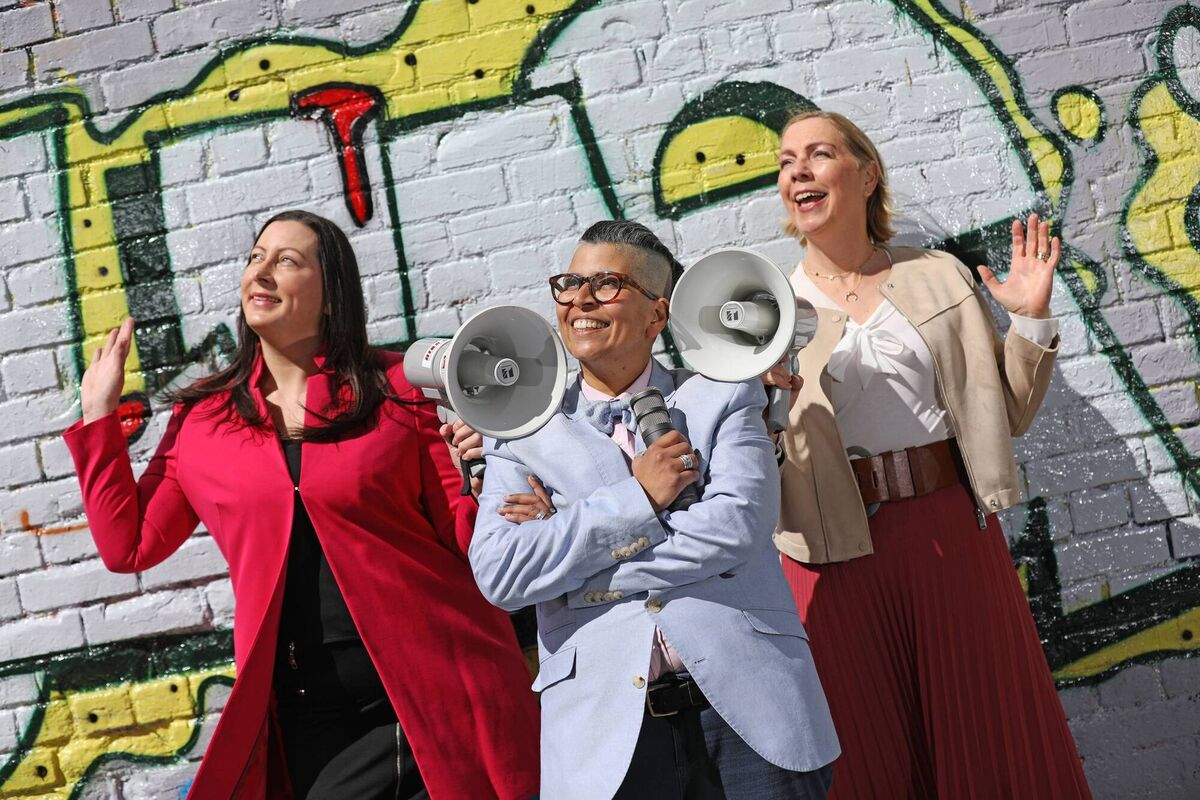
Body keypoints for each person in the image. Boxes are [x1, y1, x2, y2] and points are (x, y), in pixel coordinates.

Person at [64, 210, 540, 800]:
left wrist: (491, 483)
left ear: (332, 296)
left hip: (440, 688)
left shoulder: (397, 388)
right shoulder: (202, 420)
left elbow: (464, 539)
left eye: (287, 260)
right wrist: (99, 418)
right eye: (255, 257)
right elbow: (129, 545)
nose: (261, 272)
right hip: (309, 716)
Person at [765, 110, 1091, 798]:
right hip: (830, 553)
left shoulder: (939, 276)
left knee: (989, 739)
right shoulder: (763, 309)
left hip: (949, 535)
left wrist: (1030, 319)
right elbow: (752, 454)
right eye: (786, 161)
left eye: (819, 154)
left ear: (866, 173)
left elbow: (1002, 415)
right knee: (867, 755)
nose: (798, 170)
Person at [464, 220, 839, 800]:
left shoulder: (723, 392)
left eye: (607, 284)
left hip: (752, 714)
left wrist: (570, 565)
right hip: (604, 736)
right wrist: (637, 498)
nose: (581, 300)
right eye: (569, 283)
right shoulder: (518, 432)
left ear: (656, 315)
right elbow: (502, 574)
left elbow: (735, 530)